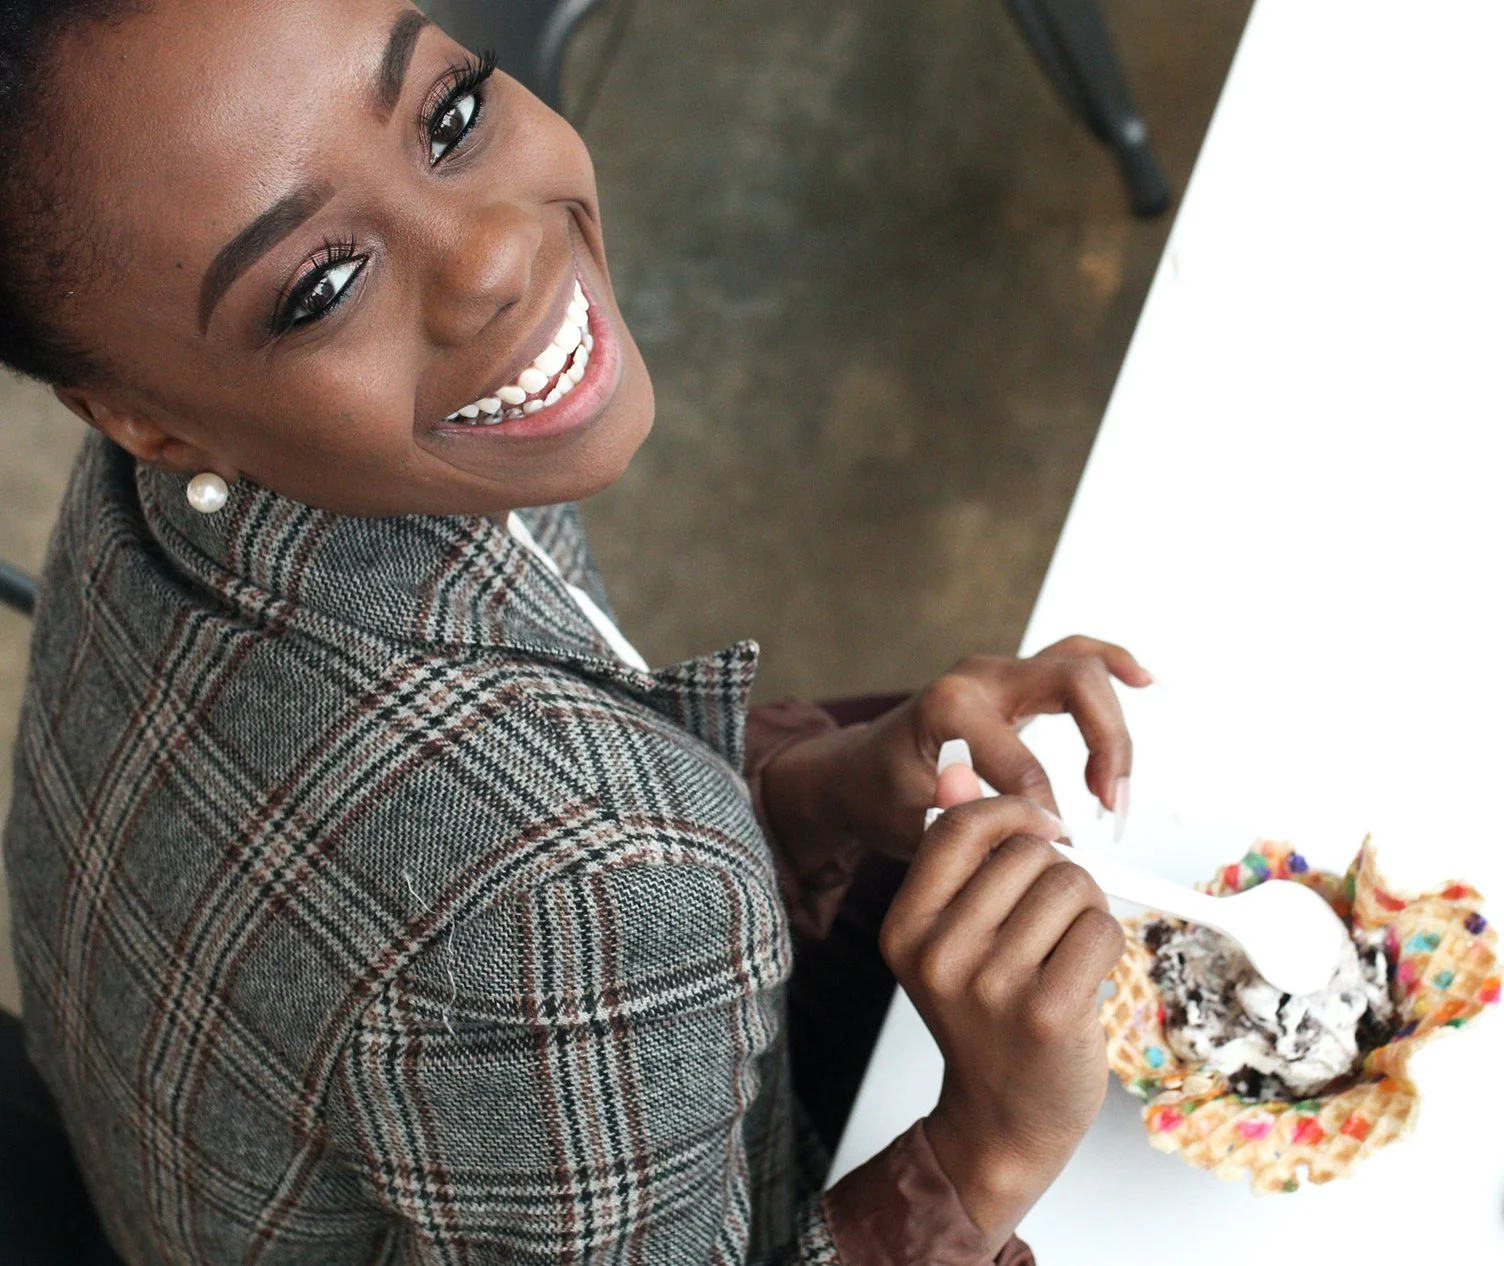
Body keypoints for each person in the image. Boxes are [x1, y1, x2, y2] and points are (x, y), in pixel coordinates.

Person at [0, 2, 1151, 1262]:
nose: (492, 255)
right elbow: (551, 901)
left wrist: (816, 799)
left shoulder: (168, 475)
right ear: (138, 419)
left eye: (447, 116)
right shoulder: (577, 886)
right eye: (321, 286)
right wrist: (981, 1153)